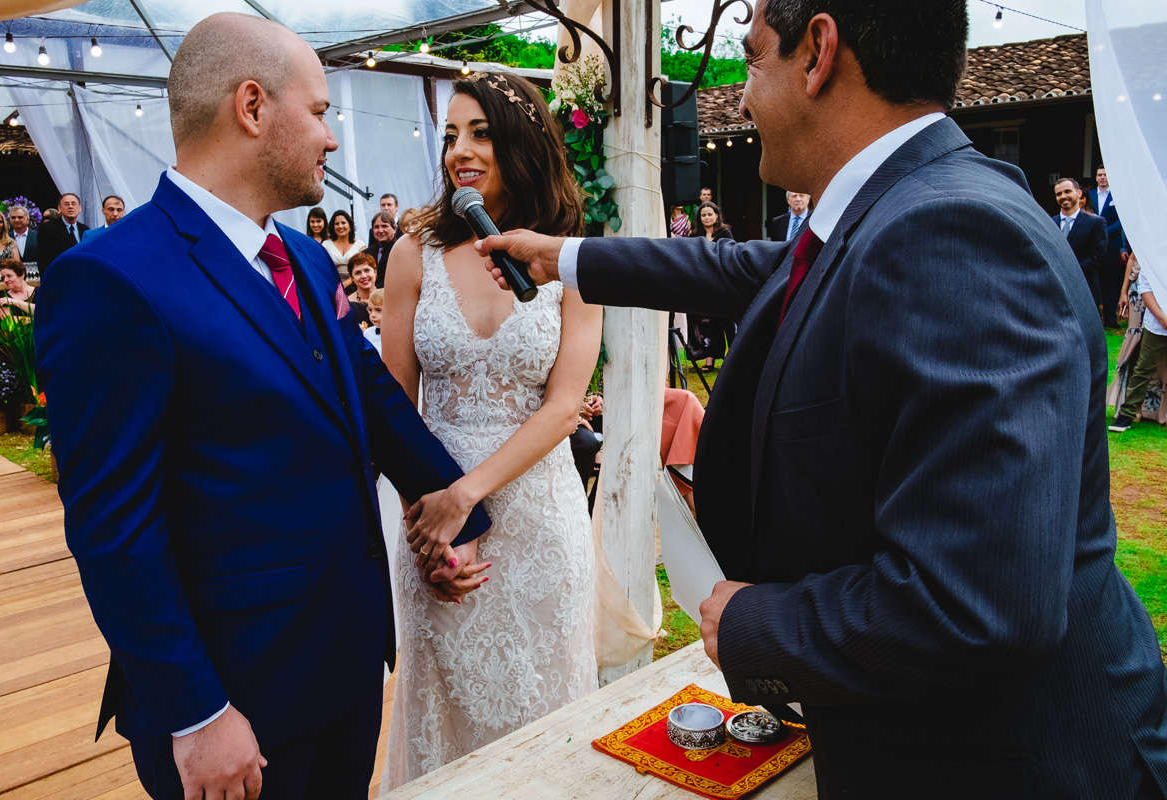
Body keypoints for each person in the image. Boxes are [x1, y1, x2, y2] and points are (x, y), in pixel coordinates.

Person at [478, 1, 1167, 795]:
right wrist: (560, 257)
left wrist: (753, 624)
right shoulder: (905, 206)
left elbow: (981, 600)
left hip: (1012, 765)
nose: (739, 98)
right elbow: (746, 272)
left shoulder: (955, 233)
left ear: (818, 53)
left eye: (753, 61)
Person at [34, 13, 491, 800]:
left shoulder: (308, 261)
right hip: (235, 694)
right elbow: (114, 528)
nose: (332, 138)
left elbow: (371, 401)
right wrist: (194, 712)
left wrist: (458, 516)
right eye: (318, 112)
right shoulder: (110, 278)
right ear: (252, 107)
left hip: (346, 661)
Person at [381, 70, 602, 788]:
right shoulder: (412, 254)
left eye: (479, 132)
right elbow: (391, 406)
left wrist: (464, 495)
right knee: (445, 732)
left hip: (538, 527)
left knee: (544, 730)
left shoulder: (571, 260)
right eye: (450, 134)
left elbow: (565, 407)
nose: (459, 150)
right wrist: (431, 520)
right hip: (435, 525)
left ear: (521, 143)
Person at [1108, 252, 1166, 427]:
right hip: (1156, 323)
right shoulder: (1151, 260)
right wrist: (1163, 319)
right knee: (1144, 367)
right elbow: (1146, 292)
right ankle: (1127, 413)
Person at [689, 201, 735, 372]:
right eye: (703, 215)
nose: (707, 217)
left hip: (722, 282)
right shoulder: (695, 235)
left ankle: (733, 359)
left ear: (716, 215)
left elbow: (731, 254)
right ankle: (709, 361)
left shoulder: (725, 232)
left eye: (710, 214)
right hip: (703, 283)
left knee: (727, 322)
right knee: (708, 323)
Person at [1053, 176, 1107, 319]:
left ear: (1078, 193)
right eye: (1059, 194)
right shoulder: (1050, 222)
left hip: (1085, 289)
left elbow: (1097, 256)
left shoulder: (1096, 222)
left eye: (1067, 191)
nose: (1063, 196)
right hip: (1055, 290)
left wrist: (1071, 273)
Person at [1088, 166, 1129, 327]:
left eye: (1105, 175)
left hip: (1111, 246)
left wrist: (1102, 230)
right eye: (1100, 175)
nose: (1103, 177)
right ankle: (1094, 320)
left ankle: (1111, 319)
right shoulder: (1090, 196)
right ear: (1096, 178)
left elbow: (1121, 221)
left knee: (1111, 283)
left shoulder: (1117, 196)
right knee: (1094, 282)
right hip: (1092, 246)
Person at [37, 193, 90, 272]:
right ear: (59, 208)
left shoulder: (85, 230)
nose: (70, 206)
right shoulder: (47, 228)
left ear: (79, 208)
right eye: (66, 204)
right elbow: (43, 259)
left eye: (73, 203)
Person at [320, 208, 366, 276]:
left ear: (350, 225)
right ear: (333, 227)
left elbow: (364, 268)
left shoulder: (360, 245)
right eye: (337, 224)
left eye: (343, 223)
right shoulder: (326, 245)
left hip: (356, 282)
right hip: (332, 282)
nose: (340, 226)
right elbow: (323, 268)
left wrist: (346, 283)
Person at [345, 251, 376, 326]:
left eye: (367, 270)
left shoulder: (387, 298)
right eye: (358, 273)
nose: (364, 276)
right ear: (352, 278)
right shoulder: (347, 304)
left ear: (375, 272)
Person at [366, 211, 396, 287]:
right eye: (376, 227)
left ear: (394, 229)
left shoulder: (400, 250)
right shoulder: (366, 253)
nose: (380, 230)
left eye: (384, 226)